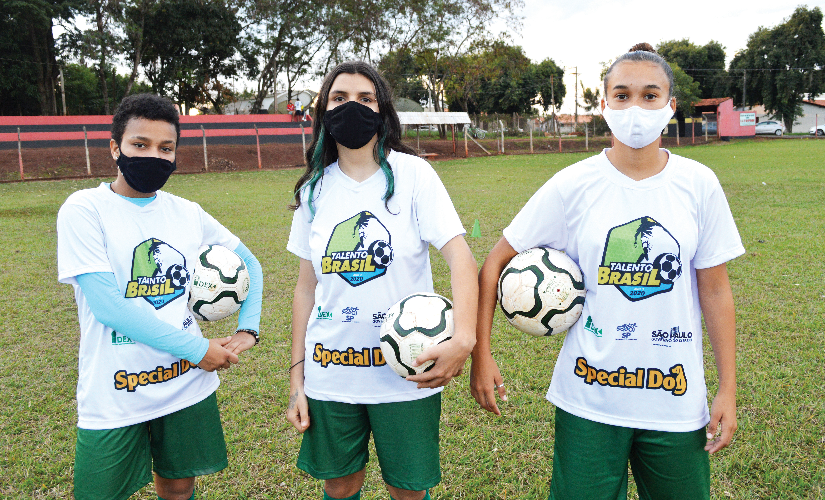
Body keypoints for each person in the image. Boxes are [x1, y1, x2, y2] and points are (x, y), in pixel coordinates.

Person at [470, 43, 745, 500]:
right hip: (589, 400)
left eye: (649, 95)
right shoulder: (573, 185)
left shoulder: (699, 184)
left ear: (670, 106)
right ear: (603, 105)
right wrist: (483, 353)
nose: (635, 107)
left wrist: (727, 389)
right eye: (622, 95)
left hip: (675, 402)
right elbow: (493, 264)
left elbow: (715, 293)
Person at [56, 93, 264, 500]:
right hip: (115, 390)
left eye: (165, 148)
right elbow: (108, 306)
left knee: (179, 484)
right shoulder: (84, 209)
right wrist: (197, 349)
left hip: (185, 385)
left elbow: (250, 264)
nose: (153, 156)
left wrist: (249, 329)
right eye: (140, 145)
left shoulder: (186, 212)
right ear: (115, 147)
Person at [286, 61, 478, 500]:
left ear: (382, 110)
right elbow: (304, 289)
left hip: (407, 371)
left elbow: (461, 260)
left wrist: (462, 339)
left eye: (365, 98)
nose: (352, 107)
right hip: (331, 372)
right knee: (338, 485)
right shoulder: (313, 189)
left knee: (408, 490)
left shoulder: (413, 175)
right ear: (323, 110)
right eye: (339, 98)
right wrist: (297, 378)